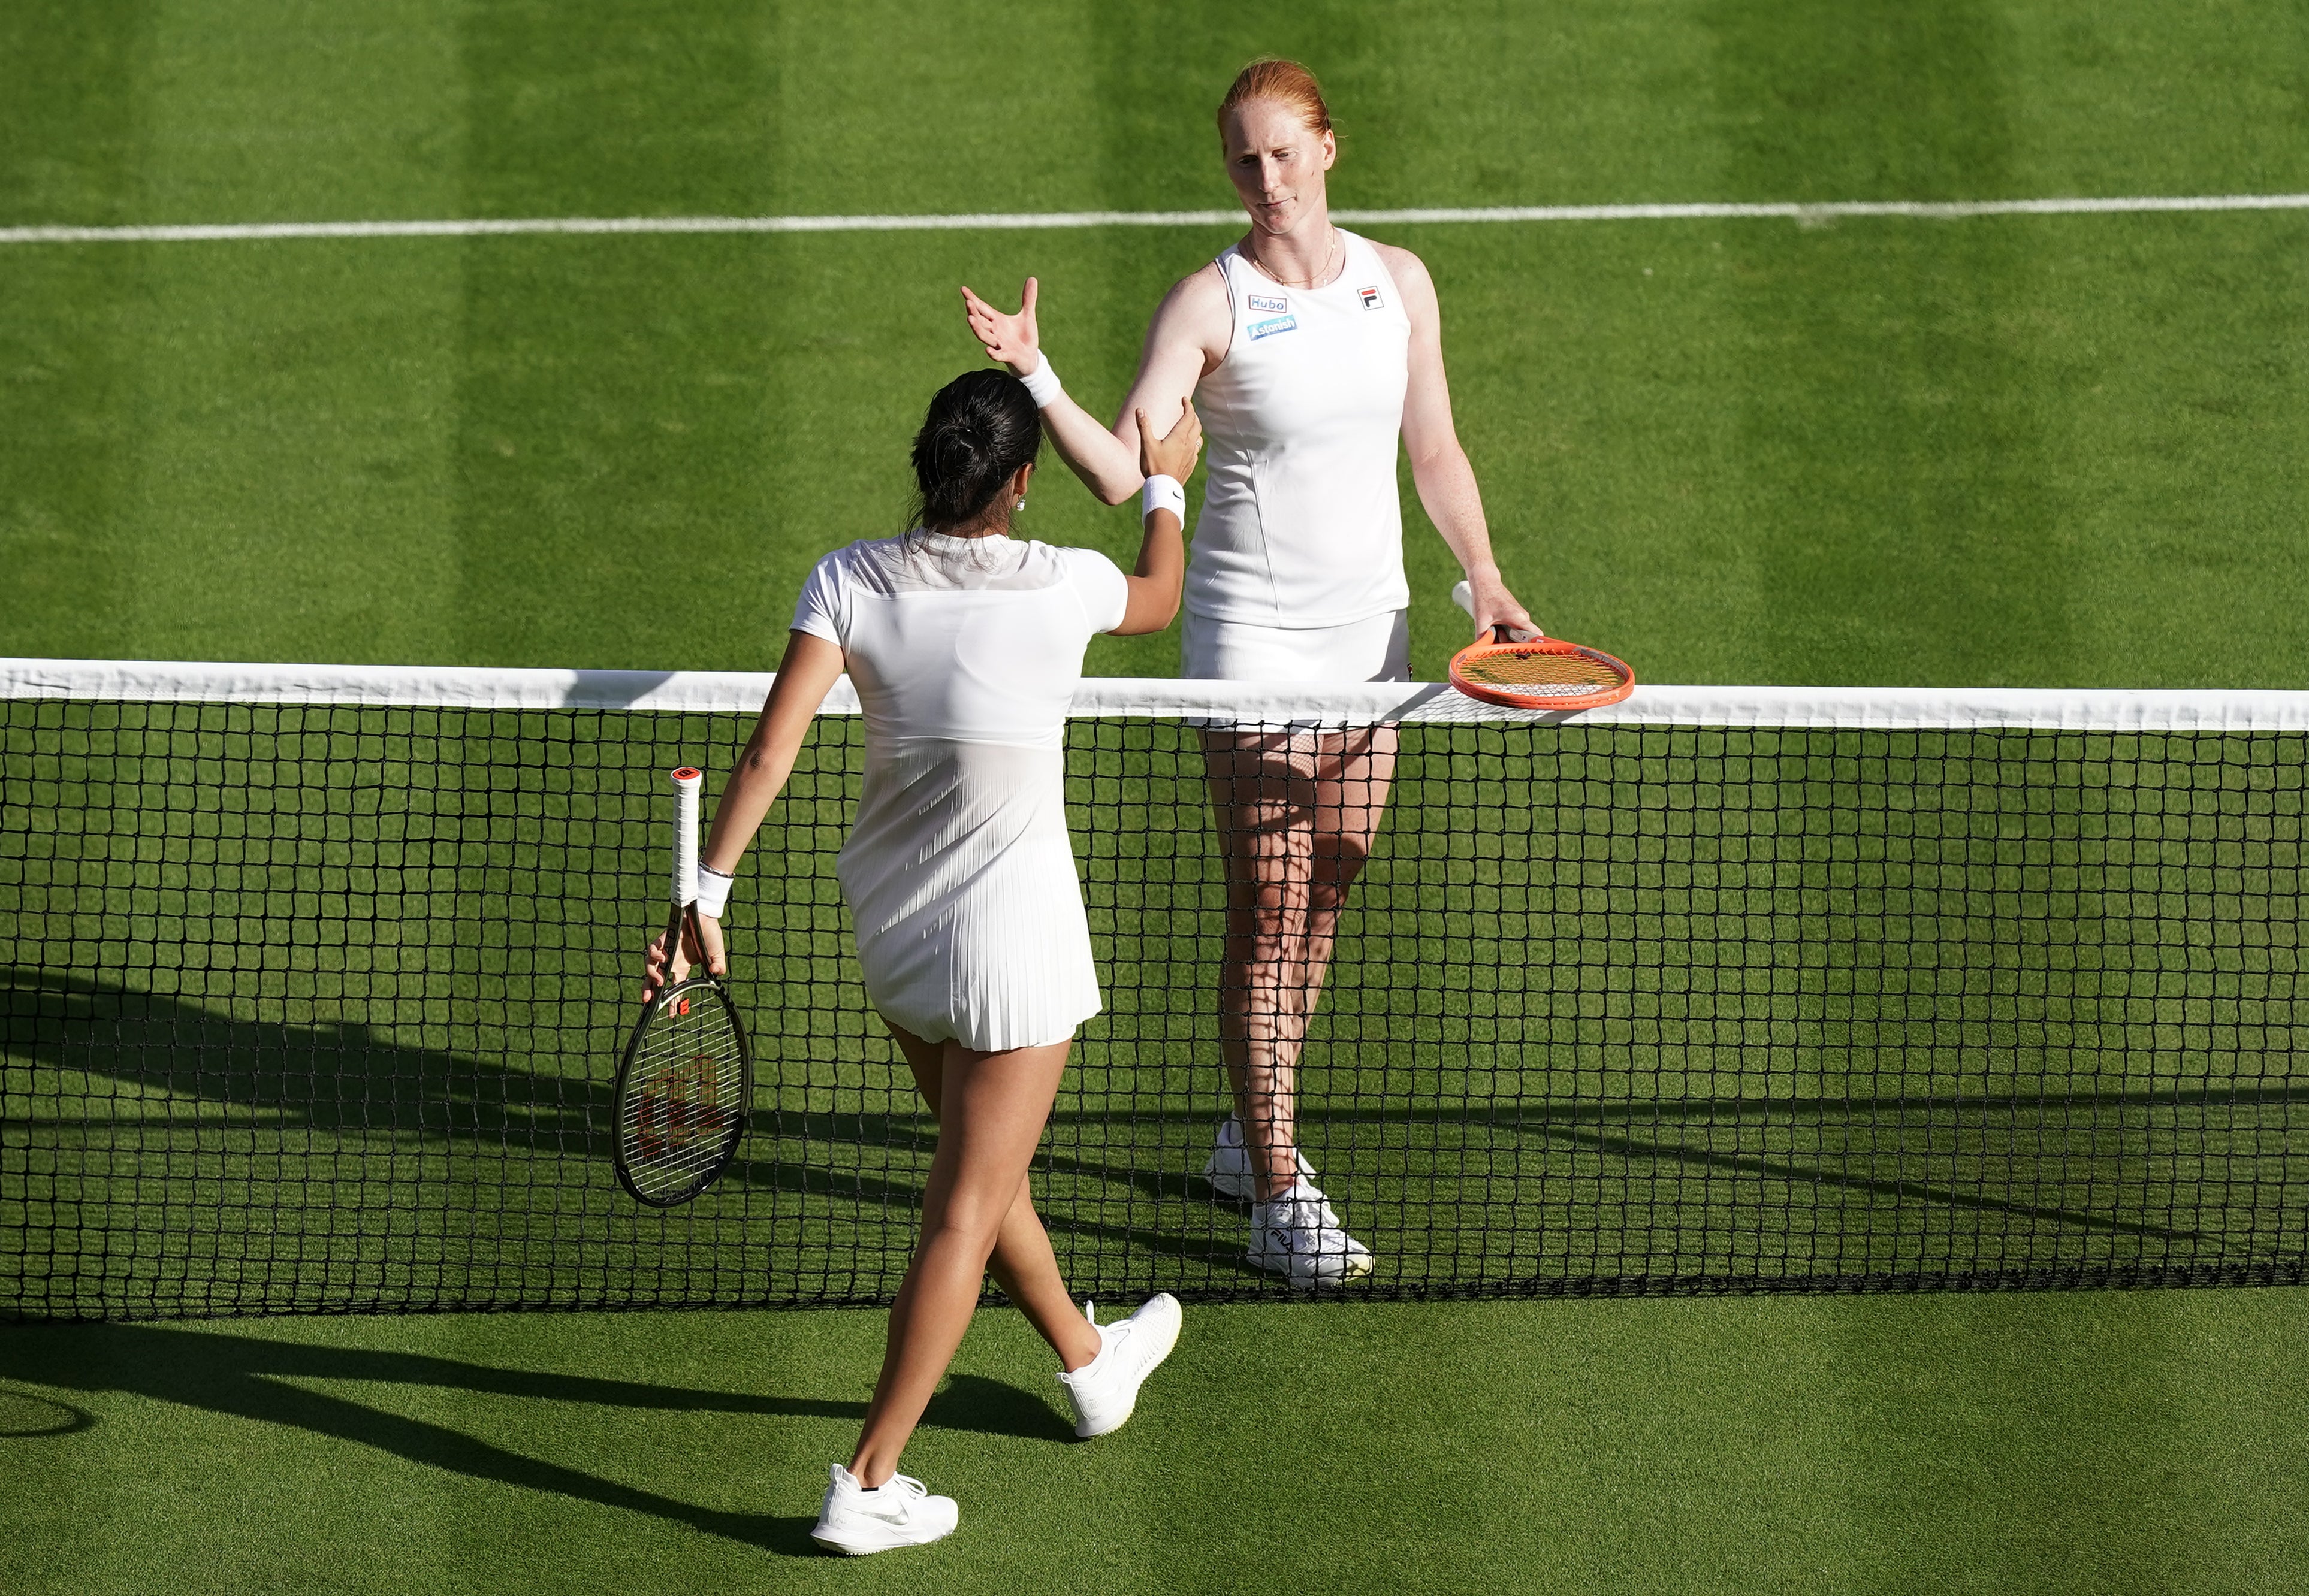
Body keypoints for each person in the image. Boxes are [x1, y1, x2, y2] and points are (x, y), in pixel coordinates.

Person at [961, 58, 1536, 1285]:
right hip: (1249, 645)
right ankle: (1280, 1182)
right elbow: (1125, 476)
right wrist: (1035, 372)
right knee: (1269, 906)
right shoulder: (1206, 306)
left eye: (1283, 153)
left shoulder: (1400, 284)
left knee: (1327, 891)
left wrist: (1483, 578)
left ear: (1329, 150)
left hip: (1370, 640)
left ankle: (1244, 1128)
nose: (1264, 180)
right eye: (1242, 160)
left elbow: (1431, 445)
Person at [642, 370, 1206, 1555]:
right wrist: (1165, 480)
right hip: (1013, 953)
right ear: (1017, 484)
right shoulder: (1061, 582)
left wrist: (709, 898)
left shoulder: (846, 579)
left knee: (984, 1179)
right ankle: (867, 1479)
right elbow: (1160, 595)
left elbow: (767, 755)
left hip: (896, 938)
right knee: (962, 1207)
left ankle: (1091, 1361)